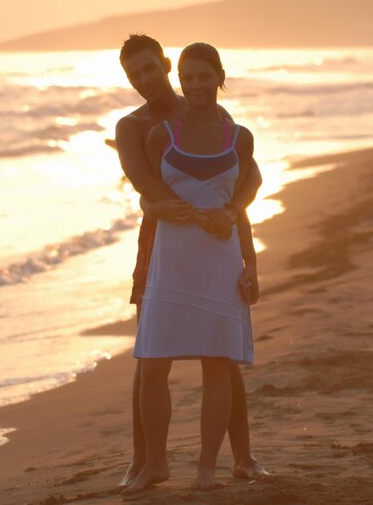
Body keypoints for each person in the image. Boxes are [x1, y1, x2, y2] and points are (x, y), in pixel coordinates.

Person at [114, 35, 268, 491]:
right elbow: (144, 183)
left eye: (150, 69)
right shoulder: (134, 126)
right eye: (134, 75)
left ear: (166, 65)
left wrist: (230, 213)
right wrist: (165, 209)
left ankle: (242, 454)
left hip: (211, 234)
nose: (145, 81)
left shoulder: (206, 108)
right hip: (161, 241)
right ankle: (145, 460)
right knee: (151, 353)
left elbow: (248, 174)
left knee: (220, 353)